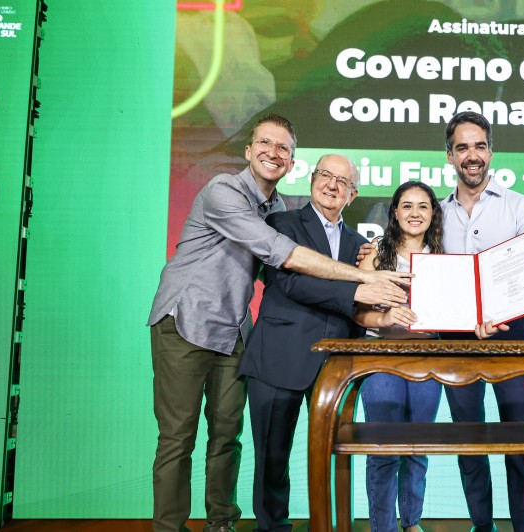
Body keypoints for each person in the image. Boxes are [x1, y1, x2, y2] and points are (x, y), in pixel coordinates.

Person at [147, 115, 409, 532]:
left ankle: (221, 524)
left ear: (291, 162)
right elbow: (285, 266)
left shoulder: (277, 210)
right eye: (265, 143)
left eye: (283, 147)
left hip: (233, 333)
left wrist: (381, 300)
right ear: (249, 150)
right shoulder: (227, 193)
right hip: (186, 320)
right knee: (179, 437)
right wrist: (362, 282)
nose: (273, 152)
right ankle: (169, 528)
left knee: (226, 436)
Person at [239, 153, 387, 532]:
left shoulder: (360, 246)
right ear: (312, 179)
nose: (332, 185)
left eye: (343, 181)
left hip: (336, 366)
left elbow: (364, 306)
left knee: (335, 457)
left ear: (353, 195)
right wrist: (355, 290)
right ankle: (272, 527)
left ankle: (330, 524)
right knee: (272, 456)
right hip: (279, 357)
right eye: (325, 175)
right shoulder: (282, 224)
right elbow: (292, 283)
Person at [440, 111, 524, 532]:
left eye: (480, 146)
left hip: (512, 336)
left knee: (520, 441)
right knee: (468, 442)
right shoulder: (436, 212)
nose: (472, 155)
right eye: (462, 147)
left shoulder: (521, 207)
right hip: (455, 339)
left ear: (491, 152)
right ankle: (481, 526)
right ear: (450, 155)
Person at [353, 181, 445, 532]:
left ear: (433, 213)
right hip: (381, 356)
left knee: (418, 448)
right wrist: (385, 318)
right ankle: (383, 527)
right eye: (407, 206)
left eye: (423, 206)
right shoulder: (376, 254)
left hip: (427, 356)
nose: (415, 213)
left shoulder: (443, 258)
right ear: (395, 212)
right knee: (384, 448)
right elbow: (356, 313)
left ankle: (411, 523)